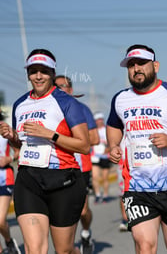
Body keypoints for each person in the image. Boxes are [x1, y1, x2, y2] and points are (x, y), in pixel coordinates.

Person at [107, 44, 167, 254]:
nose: (136, 68)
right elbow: (113, 126)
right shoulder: (120, 99)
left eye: (141, 63)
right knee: (144, 245)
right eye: (131, 65)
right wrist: (113, 145)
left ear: (155, 66)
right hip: (137, 187)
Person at [0, 49, 90, 254]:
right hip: (29, 180)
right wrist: (13, 137)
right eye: (33, 71)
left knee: (64, 250)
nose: (38, 76)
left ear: (52, 72)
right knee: (35, 249)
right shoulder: (20, 104)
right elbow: (21, 146)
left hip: (63, 180)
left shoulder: (67, 102)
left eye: (44, 71)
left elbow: (84, 145)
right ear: (28, 74)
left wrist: (50, 134)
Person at [55, 75, 99, 254]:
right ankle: (68, 247)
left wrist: (71, 138)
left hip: (81, 168)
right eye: (55, 86)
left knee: (82, 211)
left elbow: (95, 138)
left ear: (70, 90)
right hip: (57, 167)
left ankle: (86, 233)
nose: (59, 89)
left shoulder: (81, 109)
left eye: (63, 86)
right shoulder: (49, 110)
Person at [0, 108, 21, 254]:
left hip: (4, 177)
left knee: (0, 221)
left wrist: (9, 158)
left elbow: (20, 151)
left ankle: (8, 241)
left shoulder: (4, 128)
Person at [91, 112, 111, 204]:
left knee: (105, 178)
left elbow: (111, 142)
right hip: (95, 156)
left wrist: (108, 149)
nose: (99, 121)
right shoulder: (93, 130)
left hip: (105, 156)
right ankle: (98, 195)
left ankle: (106, 195)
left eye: (101, 119)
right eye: (97, 120)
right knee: (95, 177)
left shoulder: (106, 130)